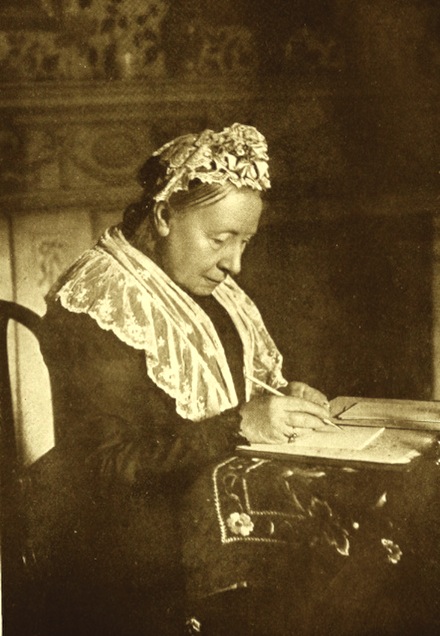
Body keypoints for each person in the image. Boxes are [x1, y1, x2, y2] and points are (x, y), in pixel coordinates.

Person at [37, 123, 395, 635]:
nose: (235, 264)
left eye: (245, 241)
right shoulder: (98, 301)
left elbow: (224, 392)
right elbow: (106, 466)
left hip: (206, 501)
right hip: (132, 546)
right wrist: (240, 425)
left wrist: (279, 398)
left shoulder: (204, 286)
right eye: (221, 239)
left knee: (380, 517)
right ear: (164, 216)